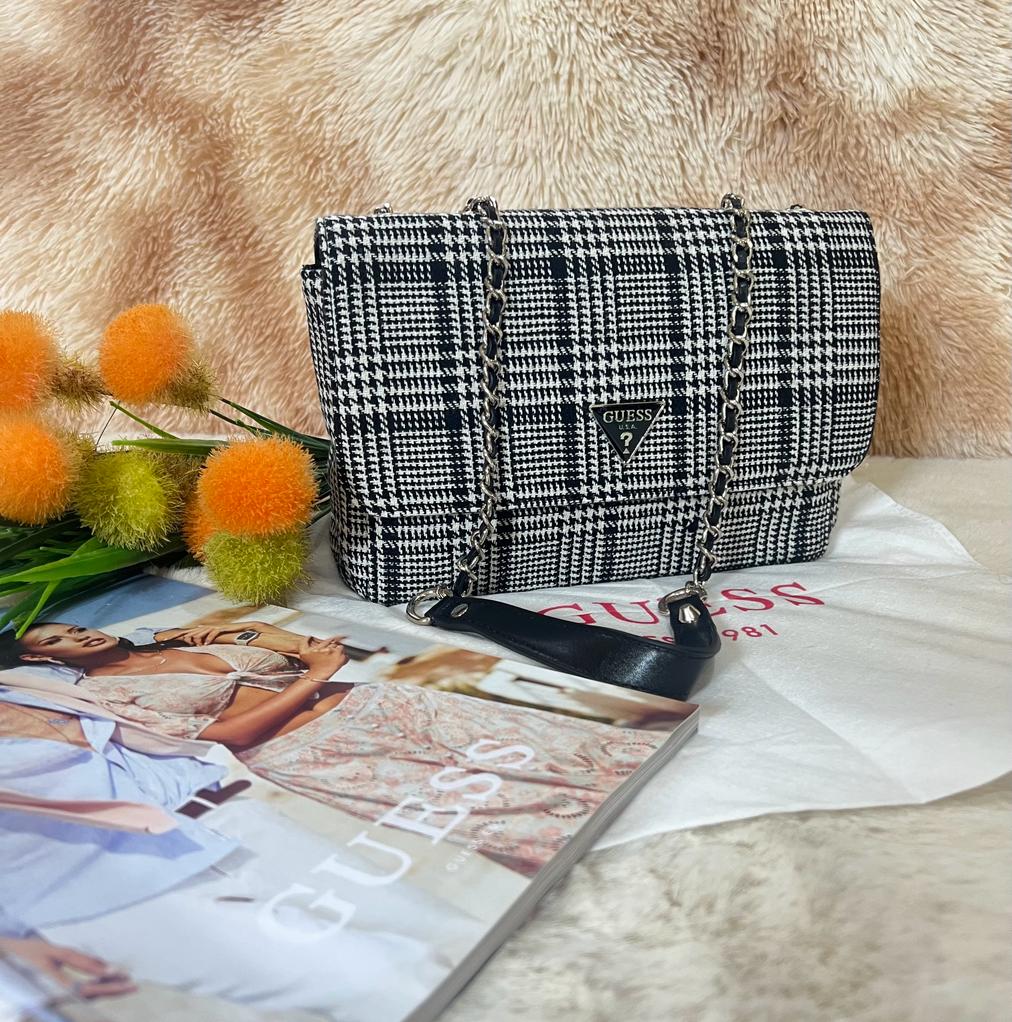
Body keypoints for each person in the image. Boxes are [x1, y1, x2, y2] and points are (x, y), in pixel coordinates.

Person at [2, 620, 670, 876]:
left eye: (74, 626)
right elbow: (229, 735)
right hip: (312, 753)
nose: (78, 636)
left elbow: (313, 648)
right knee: (505, 812)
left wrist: (254, 635)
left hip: (382, 702)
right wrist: (315, 676)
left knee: (565, 749)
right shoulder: (107, 697)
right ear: (40, 659)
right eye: (57, 640)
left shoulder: (184, 638)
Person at [0, 685, 483, 1020]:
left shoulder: (29, 683)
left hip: (221, 817)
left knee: (449, 932)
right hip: (102, 893)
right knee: (379, 981)